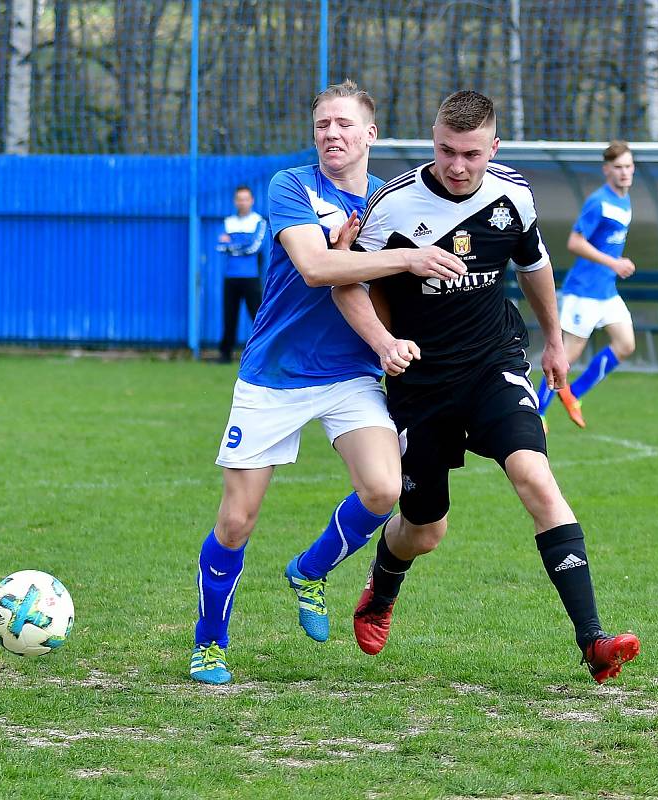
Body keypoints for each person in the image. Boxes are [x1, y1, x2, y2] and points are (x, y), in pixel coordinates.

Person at [332, 91, 640, 684]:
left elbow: (535, 266)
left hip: (493, 364)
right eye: (446, 150)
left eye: (471, 154)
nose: (457, 165)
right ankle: (383, 586)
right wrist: (382, 344)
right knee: (424, 528)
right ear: (433, 139)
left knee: (535, 475)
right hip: (420, 383)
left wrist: (553, 340)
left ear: (492, 148)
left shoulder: (513, 194)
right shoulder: (392, 206)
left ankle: (594, 642)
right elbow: (351, 283)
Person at [190, 80, 466, 685]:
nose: (331, 135)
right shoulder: (291, 186)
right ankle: (210, 643)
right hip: (276, 373)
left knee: (383, 487)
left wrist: (401, 341)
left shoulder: (393, 202)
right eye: (322, 125)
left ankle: (310, 570)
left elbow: (400, 290)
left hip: (350, 373)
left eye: (344, 125)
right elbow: (316, 267)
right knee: (236, 520)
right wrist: (404, 257)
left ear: (370, 134)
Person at [537, 141, 636, 431]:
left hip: (606, 291)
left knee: (626, 344)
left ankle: (574, 393)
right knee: (566, 356)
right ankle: (537, 411)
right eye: (618, 167)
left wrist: (612, 267)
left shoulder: (624, 199)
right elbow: (575, 242)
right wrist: (614, 263)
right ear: (607, 170)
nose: (624, 172)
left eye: (628, 166)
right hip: (584, 291)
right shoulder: (599, 201)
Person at [216, 186, 266, 363]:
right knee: (229, 316)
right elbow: (220, 246)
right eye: (239, 199)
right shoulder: (228, 221)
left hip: (250, 276)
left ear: (251, 200)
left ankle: (264, 354)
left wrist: (232, 246)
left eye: (245, 198)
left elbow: (254, 247)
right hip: (231, 276)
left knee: (258, 317)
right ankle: (225, 354)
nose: (242, 202)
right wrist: (239, 246)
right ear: (235, 201)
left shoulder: (258, 221)